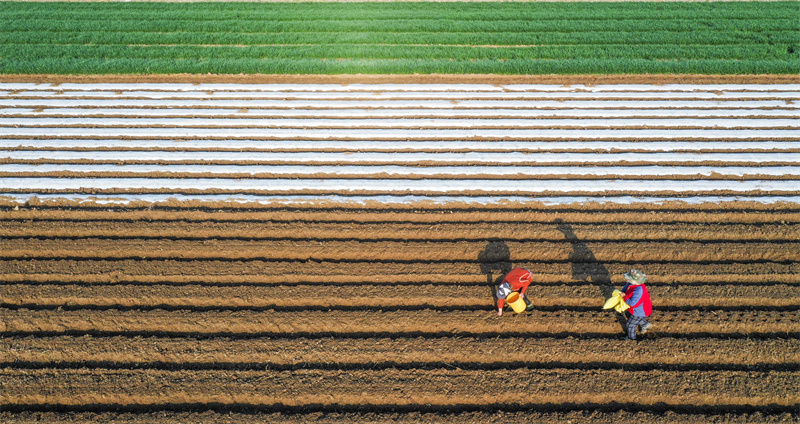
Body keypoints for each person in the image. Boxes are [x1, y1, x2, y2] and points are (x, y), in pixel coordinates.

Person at [620, 269, 653, 340]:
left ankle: (631, 339)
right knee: (627, 314)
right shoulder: (632, 283)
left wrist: (624, 297)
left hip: (640, 311)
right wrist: (622, 292)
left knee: (630, 325)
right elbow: (626, 287)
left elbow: (633, 304)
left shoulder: (639, 290)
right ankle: (645, 324)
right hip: (636, 309)